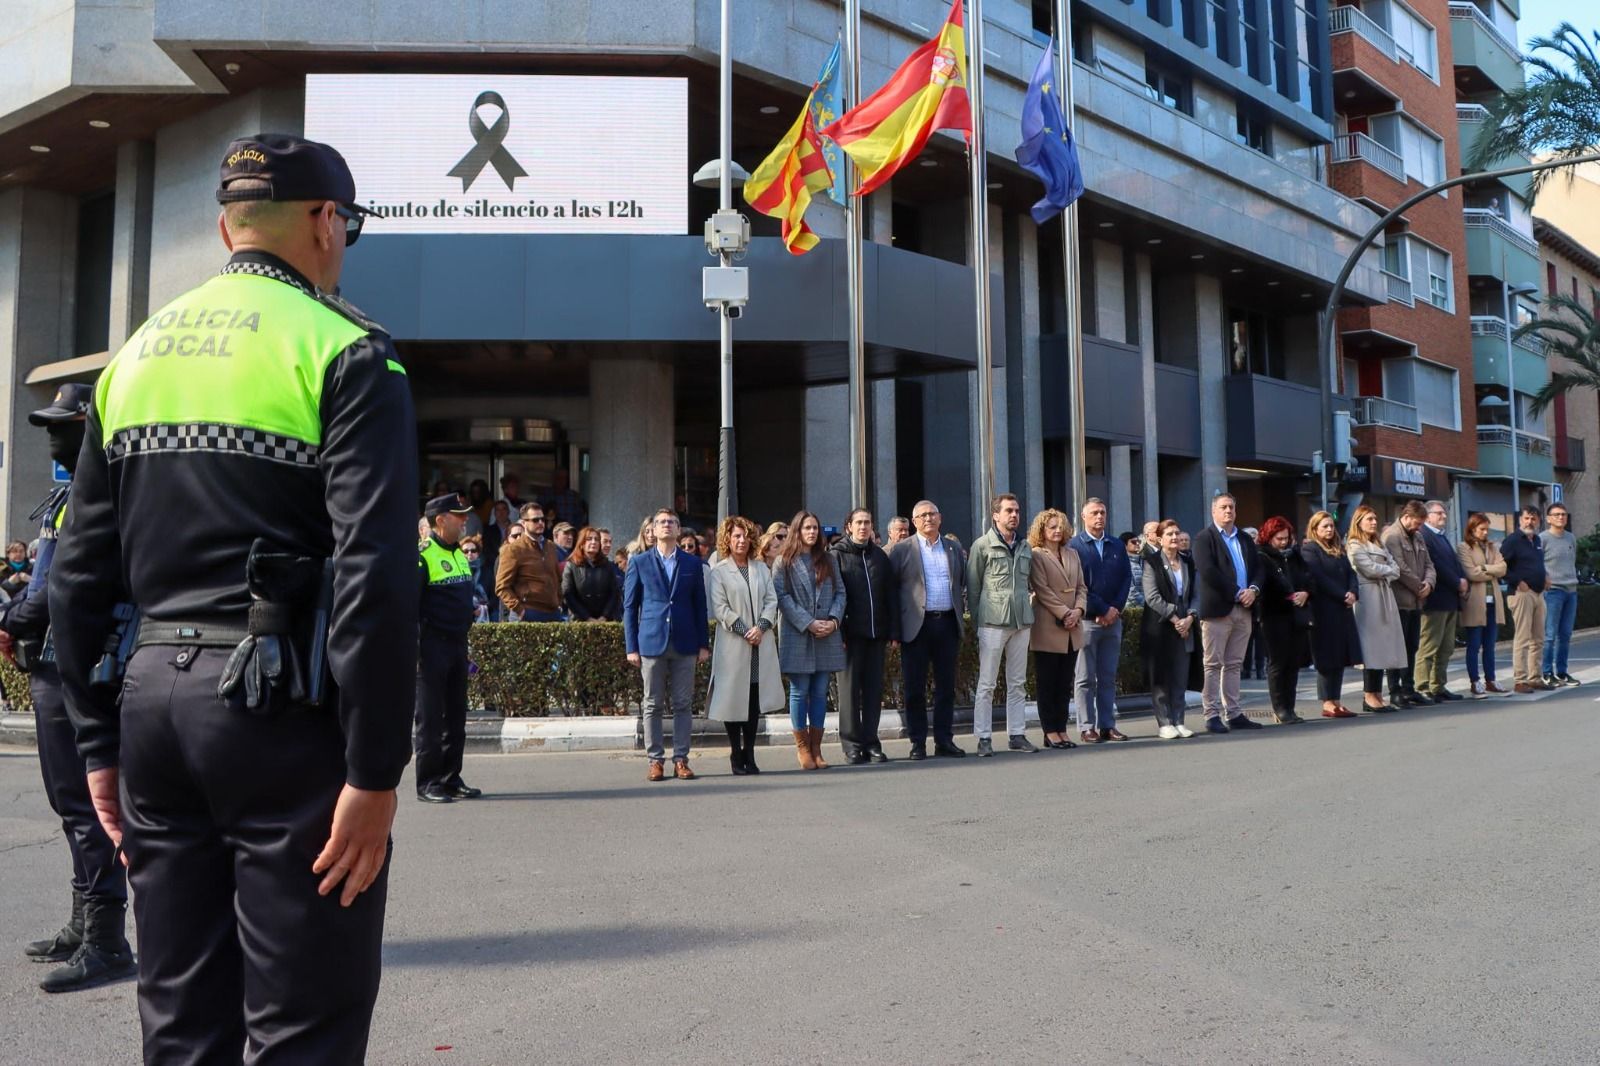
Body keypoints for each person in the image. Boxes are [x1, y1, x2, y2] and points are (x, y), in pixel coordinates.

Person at [50, 134, 417, 1061]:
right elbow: (374, 576)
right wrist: (375, 774)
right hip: (279, 711)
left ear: (226, 226)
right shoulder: (348, 351)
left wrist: (99, 744)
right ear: (327, 223)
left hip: (152, 713)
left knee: (179, 1020)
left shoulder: (132, 359)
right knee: (303, 1023)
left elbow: (78, 575)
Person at [0, 384, 135, 992]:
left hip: (74, 664)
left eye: (64, 423)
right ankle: (84, 924)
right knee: (69, 803)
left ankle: (107, 940)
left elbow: (51, 592)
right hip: (57, 663)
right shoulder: (70, 495)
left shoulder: (94, 494)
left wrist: (8, 622)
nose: (52, 434)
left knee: (85, 805)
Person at [623, 509, 712, 780]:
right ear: (652, 530)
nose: (666, 526)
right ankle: (655, 759)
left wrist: (703, 644)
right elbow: (630, 607)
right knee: (652, 703)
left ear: (678, 529)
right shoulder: (639, 562)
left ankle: (681, 758)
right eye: (661, 522)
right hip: (651, 641)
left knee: (683, 703)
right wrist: (631, 646)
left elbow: (700, 606)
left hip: (685, 642)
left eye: (671, 522)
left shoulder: (692, 563)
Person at [889, 499, 968, 759]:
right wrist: (895, 629)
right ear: (914, 522)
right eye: (922, 516)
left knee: (946, 687)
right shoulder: (902, 550)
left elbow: (963, 583)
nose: (928, 519)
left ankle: (944, 740)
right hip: (916, 627)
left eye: (932, 514)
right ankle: (918, 742)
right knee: (914, 688)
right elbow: (891, 592)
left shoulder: (954, 548)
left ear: (940, 518)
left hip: (946, 623)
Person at [415, 494, 481, 804]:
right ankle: (428, 782)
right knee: (430, 720)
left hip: (457, 645)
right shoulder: (423, 556)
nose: (464, 520)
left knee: (456, 717)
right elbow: (410, 608)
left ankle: (450, 777)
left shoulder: (457, 554)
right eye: (459, 515)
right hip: (431, 648)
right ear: (441, 520)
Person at [706, 517, 784, 775]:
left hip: (759, 643)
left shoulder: (761, 569)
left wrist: (761, 627)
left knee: (752, 700)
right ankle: (735, 754)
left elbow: (771, 601)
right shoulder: (719, 571)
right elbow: (720, 608)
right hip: (733, 644)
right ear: (727, 540)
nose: (741, 541)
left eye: (745, 536)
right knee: (732, 699)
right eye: (736, 536)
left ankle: (750, 753)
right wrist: (744, 630)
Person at [773, 511, 846, 770]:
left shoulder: (828, 559)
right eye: (807, 528)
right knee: (799, 691)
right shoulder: (784, 561)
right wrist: (809, 622)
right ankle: (802, 748)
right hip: (798, 633)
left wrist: (834, 620)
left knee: (819, 693)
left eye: (815, 528)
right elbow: (782, 597)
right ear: (798, 530)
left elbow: (840, 592)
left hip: (827, 633)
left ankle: (817, 748)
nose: (812, 532)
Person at [967, 493, 1037, 756]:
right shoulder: (982, 545)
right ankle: (983, 737)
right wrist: (978, 622)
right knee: (987, 684)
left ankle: (1016, 734)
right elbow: (972, 590)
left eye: (1017, 511)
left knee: (1017, 682)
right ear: (995, 515)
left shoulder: (1025, 546)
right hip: (992, 622)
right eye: (1009, 511)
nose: (1014, 515)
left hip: (1021, 621)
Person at [1191, 493, 1265, 734]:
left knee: (1234, 664)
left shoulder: (1244, 538)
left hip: (1244, 609)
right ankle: (1211, 714)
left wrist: (1253, 590)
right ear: (1213, 511)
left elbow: (1258, 569)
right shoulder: (1204, 538)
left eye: (1231, 507)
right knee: (1213, 664)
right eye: (1223, 507)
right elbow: (1209, 572)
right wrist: (1237, 592)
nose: (1228, 511)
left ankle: (1233, 713)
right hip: (1218, 610)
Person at [831, 508, 897, 764]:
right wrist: (840, 631)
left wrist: (893, 631)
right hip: (849, 636)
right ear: (848, 526)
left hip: (876, 635)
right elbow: (834, 596)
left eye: (867, 522)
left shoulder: (880, 557)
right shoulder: (836, 556)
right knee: (848, 692)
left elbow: (890, 596)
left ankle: (871, 742)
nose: (863, 527)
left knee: (872, 692)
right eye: (858, 522)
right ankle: (851, 745)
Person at [1070, 498, 1132, 743]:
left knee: (1108, 675)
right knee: (1084, 677)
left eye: (1103, 512)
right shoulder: (1075, 545)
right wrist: (1102, 609)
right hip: (1087, 620)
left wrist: (1115, 608)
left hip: (1112, 621)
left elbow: (1126, 579)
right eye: (1094, 513)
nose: (1099, 517)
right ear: (1083, 516)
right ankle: (1087, 726)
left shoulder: (1116, 544)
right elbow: (1078, 584)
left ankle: (1107, 724)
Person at [1028, 508, 1086, 749]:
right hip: (1048, 624)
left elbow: (1082, 587)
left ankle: (1062, 729)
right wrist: (1064, 612)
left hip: (1073, 626)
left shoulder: (1072, 553)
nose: (1057, 530)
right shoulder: (1036, 555)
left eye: (1060, 526)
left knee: (1064, 683)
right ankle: (1049, 730)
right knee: (1048, 682)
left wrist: (1078, 611)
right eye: (1051, 526)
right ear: (1041, 530)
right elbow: (1042, 589)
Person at [1299, 511, 1361, 718]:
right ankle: (1327, 702)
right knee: (1327, 657)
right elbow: (1318, 577)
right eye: (1324, 526)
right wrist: (1341, 594)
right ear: (1315, 528)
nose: (1329, 529)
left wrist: (1353, 592)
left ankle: (1336, 700)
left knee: (1340, 655)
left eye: (1331, 526)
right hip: (1324, 609)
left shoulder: (1338, 548)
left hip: (1343, 609)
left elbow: (1351, 572)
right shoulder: (1310, 549)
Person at [1346, 504, 1407, 713]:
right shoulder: (1354, 544)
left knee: (1384, 646)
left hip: (1384, 595)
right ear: (1358, 522)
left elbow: (1396, 569)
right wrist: (1387, 570)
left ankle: (1378, 695)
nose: (1373, 522)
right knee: (1370, 647)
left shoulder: (1379, 543)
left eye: (1375, 518)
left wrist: (1386, 571)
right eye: (1369, 519)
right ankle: (1369, 695)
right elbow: (1369, 569)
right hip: (1368, 596)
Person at [1141, 519, 1199, 739]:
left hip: (1186, 627)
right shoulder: (1151, 562)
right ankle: (1164, 722)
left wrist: (1190, 618)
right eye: (1169, 534)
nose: (1174, 538)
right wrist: (1176, 619)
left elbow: (1196, 593)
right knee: (1162, 677)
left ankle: (1179, 720)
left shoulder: (1188, 562)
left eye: (1177, 533)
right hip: (1161, 628)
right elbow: (1152, 597)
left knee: (1180, 676)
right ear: (1159, 538)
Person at [1254, 516, 1311, 725]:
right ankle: (1280, 708)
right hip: (1273, 614)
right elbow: (1262, 585)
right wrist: (1286, 596)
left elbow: (1307, 577)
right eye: (1279, 539)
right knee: (1278, 662)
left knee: (1293, 663)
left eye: (1286, 538)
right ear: (1269, 537)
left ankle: (1290, 707)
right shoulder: (1262, 556)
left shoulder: (1295, 555)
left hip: (1296, 613)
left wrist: (1305, 592)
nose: (1283, 542)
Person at [1380, 501, 1436, 707]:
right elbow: (1399, 567)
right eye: (1417, 522)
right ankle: (1395, 690)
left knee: (1412, 646)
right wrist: (1418, 585)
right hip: (1400, 601)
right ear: (1407, 516)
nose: (1419, 526)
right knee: (1397, 647)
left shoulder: (1419, 537)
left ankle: (1409, 688)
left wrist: (1429, 583)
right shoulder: (1392, 536)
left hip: (1416, 601)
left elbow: (1430, 564)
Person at [1414, 500, 1467, 702]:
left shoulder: (1442, 537)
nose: (1443, 516)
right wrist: (1456, 581)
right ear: (1427, 516)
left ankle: (1438, 685)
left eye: (1444, 513)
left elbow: (1453, 563)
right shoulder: (1425, 536)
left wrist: (1462, 579)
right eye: (1439, 513)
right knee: (1429, 645)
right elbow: (1435, 565)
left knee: (1446, 647)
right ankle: (1422, 686)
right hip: (1435, 600)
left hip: (1450, 599)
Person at [1499, 505, 1550, 693]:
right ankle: (1520, 679)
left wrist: (1545, 576)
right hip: (1521, 594)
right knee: (1523, 638)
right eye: (1527, 518)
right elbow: (1501, 566)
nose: (1530, 522)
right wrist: (1517, 581)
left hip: (1538, 593)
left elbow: (1536, 563)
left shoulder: (1536, 540)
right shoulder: (1512, 540)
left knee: (1538, 638)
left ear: (1538, 521)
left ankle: (1535, 677)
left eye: (1534, 519)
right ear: (1520, 520)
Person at [1457, 513, 1506, 699]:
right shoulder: (1464, 547)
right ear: (1472, 529)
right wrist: (1490, 571)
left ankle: (1491, 679)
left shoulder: (1493, 546)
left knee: (1490, 644)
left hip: (1492, 601)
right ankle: (1474, 681)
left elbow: (1503, 568)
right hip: (1475, 602)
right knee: (1474, 644)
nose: (1485, 533)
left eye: (1487, 529)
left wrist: (1485, 569)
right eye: (1481, 529)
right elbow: (1471, 573)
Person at [496, 501, 564, 621]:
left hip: (552, 612)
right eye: (535, 520)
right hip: (528, 611)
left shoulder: (551, 546)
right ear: (523, 523)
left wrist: (558, 603)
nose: (541, 523)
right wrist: (519, 610)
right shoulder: (513, 549)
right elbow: (501, 587)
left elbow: (557, 579)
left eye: (542, 519)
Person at [1540, 502, 1581, 687]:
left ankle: (1562, 672)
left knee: (1565, 634)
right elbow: (1537, 564)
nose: (1560, 517)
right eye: (1556, 514)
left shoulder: (1571, 538)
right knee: (1550, 634)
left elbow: (1572, 561)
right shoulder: (1543, 539)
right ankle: (1547, 673)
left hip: (1571, 591)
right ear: (1548, 518)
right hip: (1553, 591)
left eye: (1563, 514)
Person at [561, 526, 622, 621]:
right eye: (589, 539)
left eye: (596, 539)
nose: (593, 542)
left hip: (605, 622)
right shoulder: (571, 565)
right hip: (580, 621)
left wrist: (604, 616)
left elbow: (614, 593)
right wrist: (587, 618)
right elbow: (568, 594)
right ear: (581, 544)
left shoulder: (607, 565)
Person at [459, 534, 490, 623]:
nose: (469, 553)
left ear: (478, 553)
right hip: (463, 614)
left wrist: (483, 609)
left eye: (473, 550)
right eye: (465, 551)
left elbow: (494, 596)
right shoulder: (458, 571)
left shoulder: (486, 571)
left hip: (486, 613)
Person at [1122, 531, 1146, 608]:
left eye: (1138, 541)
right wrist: (1147, 604)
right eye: (1134, 542)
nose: (1138, 544)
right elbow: (1131, 590)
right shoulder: (1123, 563)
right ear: (1124, 545)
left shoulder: (1144, 561)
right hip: (1130, 609)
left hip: (1147, 607)